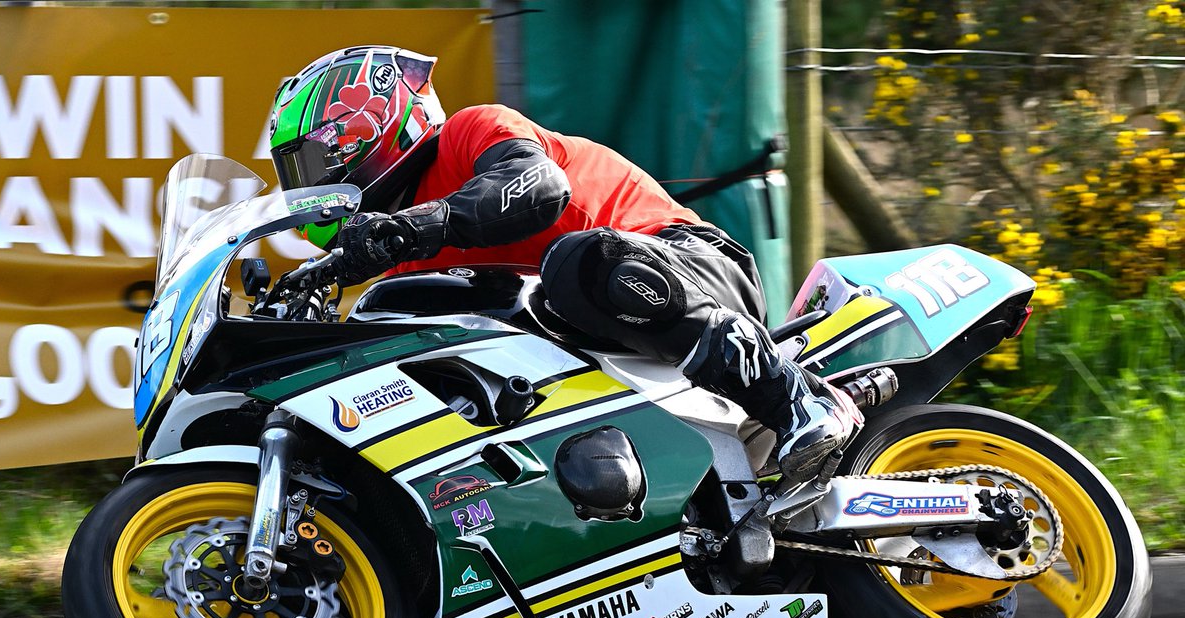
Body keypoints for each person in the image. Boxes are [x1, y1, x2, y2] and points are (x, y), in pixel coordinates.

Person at [267, 45, 860, 481]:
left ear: (369, 127)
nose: (311, 185)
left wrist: (412, 228)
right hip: (599, 342)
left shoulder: (472, 130)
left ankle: (798, 399)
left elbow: (536, 187)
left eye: (317, 162)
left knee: (577, 262)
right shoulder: (401, 266)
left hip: (682, 266)